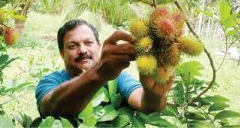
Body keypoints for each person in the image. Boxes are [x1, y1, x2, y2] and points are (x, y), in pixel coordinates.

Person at [35, 19, 173, 119]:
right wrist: (99, 73)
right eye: (72, 46)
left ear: (98, 46)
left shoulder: (118, 78)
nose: (82, 50)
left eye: (88, 43)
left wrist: (154, 94)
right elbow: (52, 108)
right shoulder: (49, 82)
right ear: (61, 53)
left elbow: (146, 106)